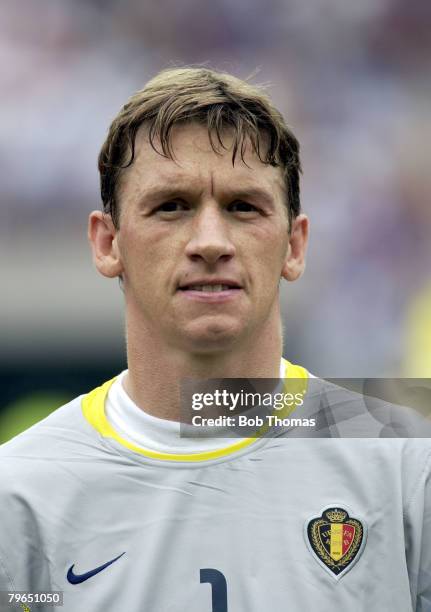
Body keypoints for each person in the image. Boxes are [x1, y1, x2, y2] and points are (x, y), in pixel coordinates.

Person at [0, 67, 430, 612]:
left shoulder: (405, 463)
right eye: (171, 206)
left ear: (295, 246)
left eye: (243, 207)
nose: (209, 242)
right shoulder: (18, 495)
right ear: (108, 242)